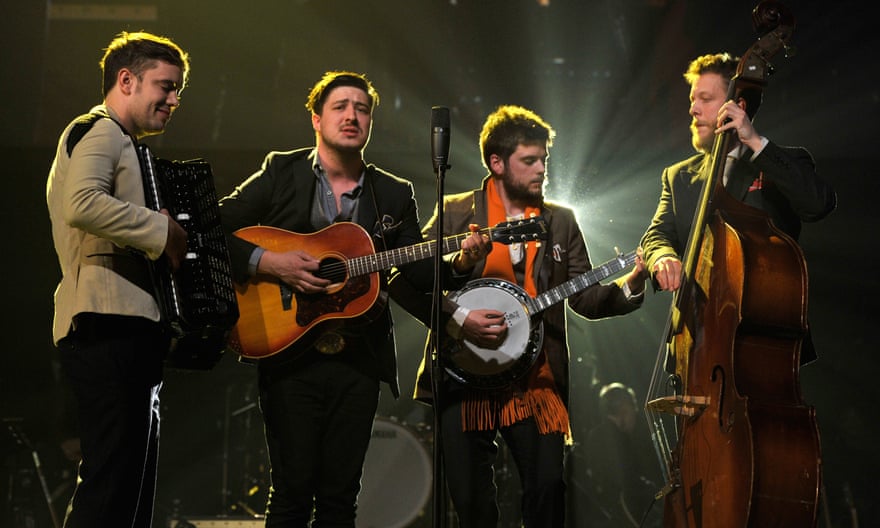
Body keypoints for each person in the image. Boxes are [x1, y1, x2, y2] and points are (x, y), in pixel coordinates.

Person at [390, 105, 647, 527]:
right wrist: (456, 318)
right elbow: (406, 281)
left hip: (536, 379)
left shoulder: (560, 220)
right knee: (470, 502)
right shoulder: (456, 210)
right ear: (497, 163)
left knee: (548, 490)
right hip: (463, 377)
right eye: (530, 160)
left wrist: (631, 286)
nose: (541, 168)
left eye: (544, 159)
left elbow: (584, 298)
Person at [217, 71, 428, 527]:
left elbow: (421, 273)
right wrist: (268, 263)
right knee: (291, 495)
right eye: (340, 106)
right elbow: (215, 226)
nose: (352, 115)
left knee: (339, 500)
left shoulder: (393, 192)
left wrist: (466, 260)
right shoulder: (281, 170)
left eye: (362, 108)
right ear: (316, 118)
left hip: (359, 361)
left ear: (371, 122)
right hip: (287, 353)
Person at [45, 31, 190, 527]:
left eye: (178, 90)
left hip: (124, 328)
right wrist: (162, 230)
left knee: (126, 491)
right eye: (165, 86)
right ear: (126, 80)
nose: (173, 100)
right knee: (111, 489)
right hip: (109, 327)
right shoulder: (101, 130)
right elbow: (81, 202)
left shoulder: (121, 140)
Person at [640, 51, 836, 303]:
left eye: (705, 99)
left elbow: (818, 204)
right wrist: (662, 257)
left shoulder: (785, 162)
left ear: (738, 107)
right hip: (699, 327)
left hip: (766, 317)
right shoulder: (677, 176)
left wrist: (755, 141)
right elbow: (656, 235)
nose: (693, 109)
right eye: (692, 99)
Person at [582, 382, 662, 528]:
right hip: (622, 515)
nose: (635, 416)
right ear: (624, 408)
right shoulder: (619, 438)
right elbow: (626, 480)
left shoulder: (595, 435)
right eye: (634, 409)